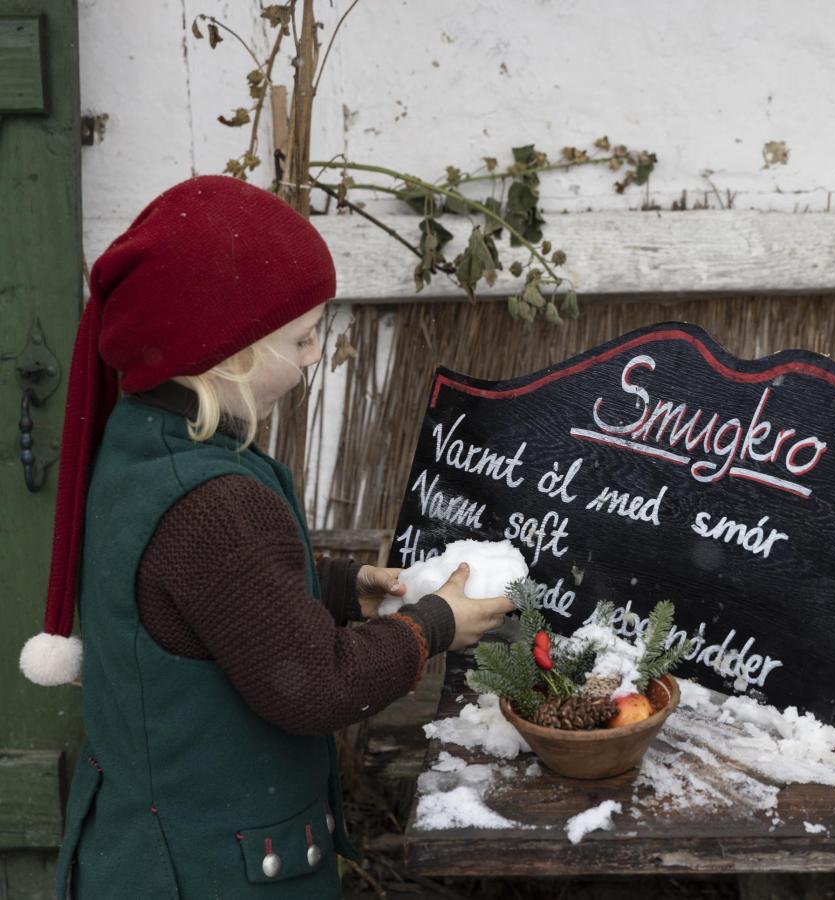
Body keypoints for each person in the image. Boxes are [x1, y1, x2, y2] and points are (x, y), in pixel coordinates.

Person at [18, 175, 515, 899]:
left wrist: (342, 587)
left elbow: (208, 600)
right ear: (227, 351)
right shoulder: (214, 504)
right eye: (302, 338)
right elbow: (315, 687)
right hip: (211, 875)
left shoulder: (141, 440)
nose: (314, 355)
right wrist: (433, 625)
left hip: (149, 847)